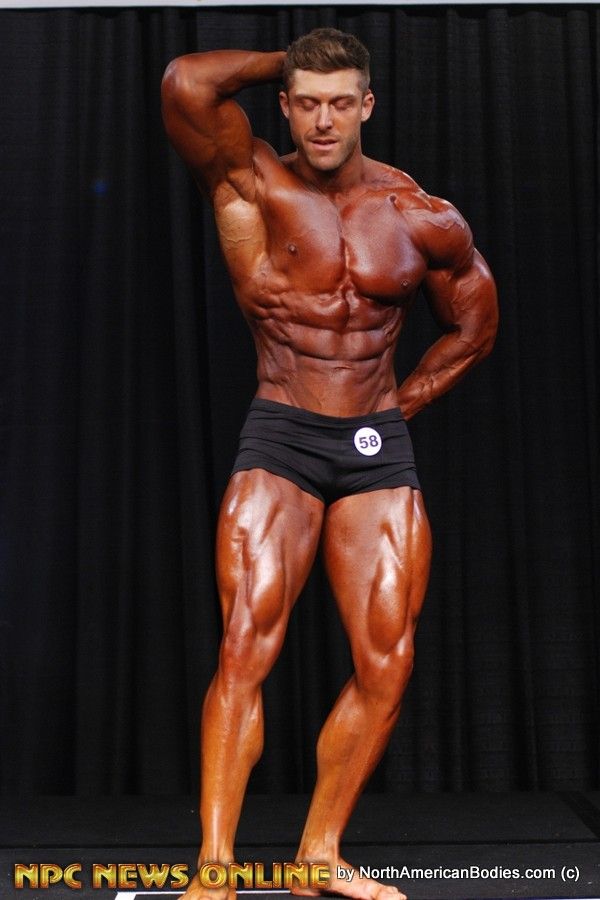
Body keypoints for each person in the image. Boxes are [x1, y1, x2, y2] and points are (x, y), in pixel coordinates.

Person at [161, 27, 498, 900]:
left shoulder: (416, 212)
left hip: (375, 447)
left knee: (390, 663)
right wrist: (292, 58)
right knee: (245, 646)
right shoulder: (250, 182)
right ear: (283, 104)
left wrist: (398, 410)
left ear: (367, 105)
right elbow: (186, 82)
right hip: (282, 435)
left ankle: (320, 854)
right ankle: (215, 868)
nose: (322, 120)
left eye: (340, 102)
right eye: (307, 102)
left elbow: (475, 324)